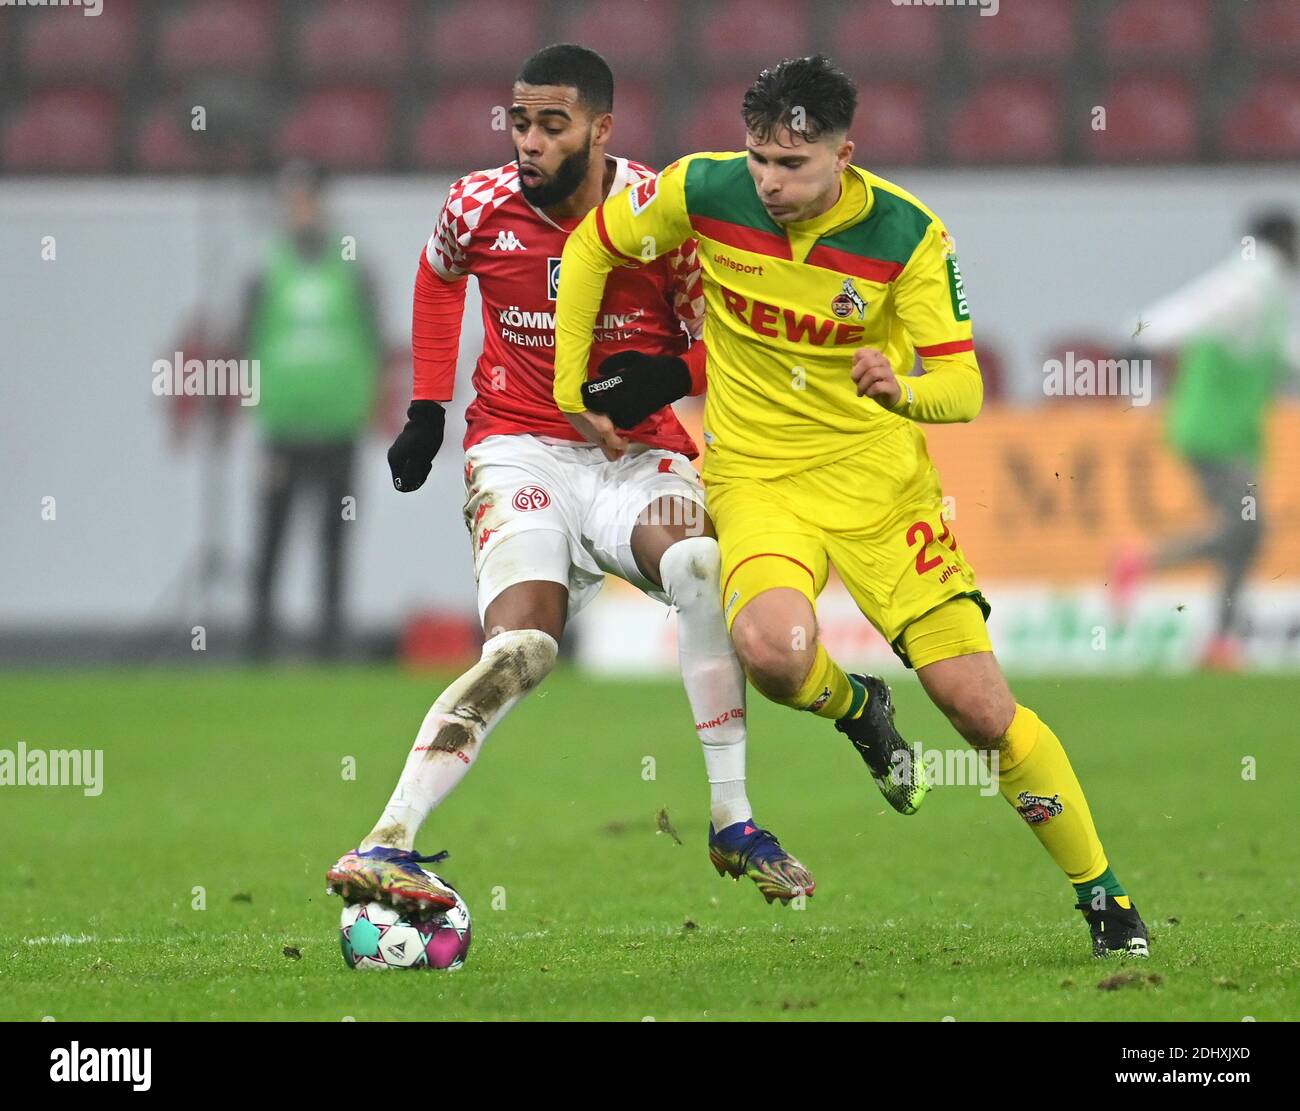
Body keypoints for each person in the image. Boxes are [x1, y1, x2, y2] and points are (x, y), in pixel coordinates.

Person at [554, 55, 1149, 957]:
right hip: (758, 478)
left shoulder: (907, 235)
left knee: (978, 710)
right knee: (774, 655)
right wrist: (572, 386)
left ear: (845, 154)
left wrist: (901, 386)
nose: (770, 181)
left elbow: (964, 385)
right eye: (760, 158)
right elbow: (593, 243)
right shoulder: (702, 188)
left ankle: (1103, 894)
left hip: (879, 491)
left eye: (792, 165)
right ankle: (859, 709)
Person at [328, 45, 826, 912]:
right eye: (519, 122)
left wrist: (661, 376)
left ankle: (733, 818)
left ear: (600, 130)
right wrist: (426, 408)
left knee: (700, 566)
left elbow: (725, 339)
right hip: (518, 450)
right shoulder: (475, 204)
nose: (528, 142)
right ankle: (387, 841)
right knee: (524, 649)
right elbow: (438, 278)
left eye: (550, 126)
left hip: (637, 456)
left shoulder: (658, 213)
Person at [1114, 212, 1297, 671]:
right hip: (1212, 429)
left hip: (1234, 431)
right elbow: (1198, 309)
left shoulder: (1268, 289)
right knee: (1246, 530)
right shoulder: (1253, 278)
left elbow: (1280, 354)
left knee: (1246, 536)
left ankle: (1219, 641)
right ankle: (1146, 563)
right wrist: (1141, 333)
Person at [242, 163, 383, 660]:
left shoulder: (351, 266)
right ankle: (258, 646)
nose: (300, 210)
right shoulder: (268, 269)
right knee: (271, 540)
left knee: (333, 540)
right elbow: (247, 342)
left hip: (338, 429)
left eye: (308, 200)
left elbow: (375, 340)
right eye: (293, 201)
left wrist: (368, 405)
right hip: (282, 430)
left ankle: (330, 646)